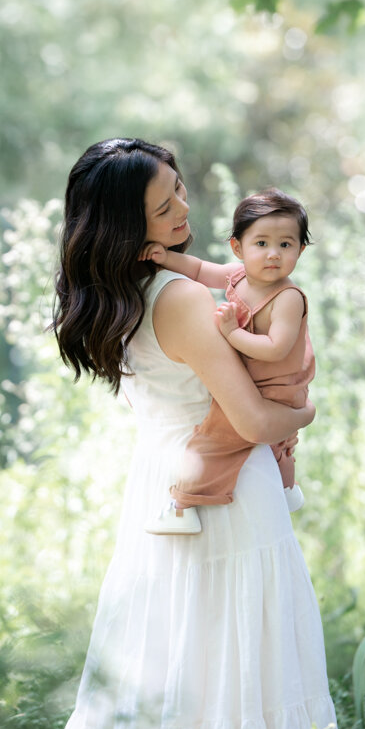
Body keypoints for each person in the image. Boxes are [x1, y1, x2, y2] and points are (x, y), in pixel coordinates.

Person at [40, 138, 347, 729]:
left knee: (172, 671)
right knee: (245, 679)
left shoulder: (118, 294)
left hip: (161, 486)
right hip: (229, 504)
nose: (183, 208)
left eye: (179, 189)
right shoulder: (182, 298)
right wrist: (303, 415)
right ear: (125, 223)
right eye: (163, 204)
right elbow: (252, 419)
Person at [139, 189, 314, 536]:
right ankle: (287, 488)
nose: (273, 255)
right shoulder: (239, 276)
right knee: (279, 444)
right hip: (261, 383)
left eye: (286, 245)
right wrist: (165, 258)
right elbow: (202, 270)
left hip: (276, 386)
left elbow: (276, 347)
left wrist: (232, 334)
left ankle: (183, 505)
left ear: (301, 250)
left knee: (216, 441)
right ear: (238, 248)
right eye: (261, 244)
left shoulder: (287, 297)